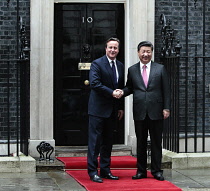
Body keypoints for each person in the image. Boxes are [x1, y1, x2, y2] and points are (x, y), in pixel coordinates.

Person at [114, 41, 170, 181]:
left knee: (156, 142)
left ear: (151, 52)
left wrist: (166, 108)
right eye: (143, 51)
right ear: (138, 53)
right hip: (139, 111)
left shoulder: (160, 68)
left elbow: (166, 90)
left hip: (156, 110)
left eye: (148, 51)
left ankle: (157, 171)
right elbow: (130, 88)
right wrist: (122, 92)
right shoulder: (132, 70)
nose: (145, 54)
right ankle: (141, 171)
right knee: (141, 142)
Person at [87, 37, 124, 183]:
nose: (113, 50)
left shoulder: (120, 65)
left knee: (108, 142)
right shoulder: (97, 63)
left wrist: (120, 107)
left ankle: (105, 170)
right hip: (97, 110)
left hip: (112, 110)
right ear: (106, 48)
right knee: (95, 143)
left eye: (115, 48)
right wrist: (111, 92)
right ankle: (92, 172)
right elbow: (95, 83)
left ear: (118, 50)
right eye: (110, 47)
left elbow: (120, 86)